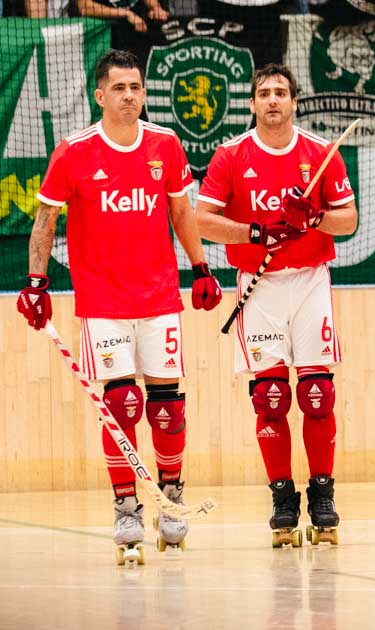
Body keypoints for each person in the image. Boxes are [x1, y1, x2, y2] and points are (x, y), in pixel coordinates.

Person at [19, 49, 221, 562]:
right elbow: (45, 222)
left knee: (168, 409)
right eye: (120, 88)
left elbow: (181, 210)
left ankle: (170, 501)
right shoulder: (74, 151)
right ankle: (126, 507)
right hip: (103, 301)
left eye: (137, 87)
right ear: (100, 95)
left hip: (158, 299)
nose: (130, 96)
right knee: (121, 405)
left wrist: (199, 268)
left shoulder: (166, 145)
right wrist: (36, 281)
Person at [195, 63, 358, 545]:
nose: (272, 100)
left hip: (309, 280)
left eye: (280, 93)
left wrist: (314, 217)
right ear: (251, 102)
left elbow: (348, 220)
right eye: (263, 92)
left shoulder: (321, 153)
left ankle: (322, 495)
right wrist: (256, 231)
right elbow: (203, 220)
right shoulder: (230, 156)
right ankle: (283, 498)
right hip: (259, 285)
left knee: (316, 396)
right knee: (270, 399)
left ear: (294, 102)